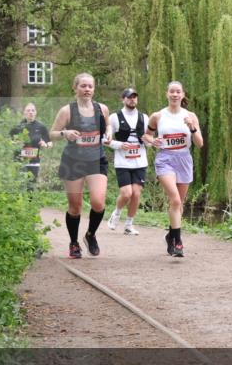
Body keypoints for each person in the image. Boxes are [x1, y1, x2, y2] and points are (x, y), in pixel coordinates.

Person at [49, 73, 112, 259]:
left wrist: (109, 134)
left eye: (90, 86)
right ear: (75, 88)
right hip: (73, 161)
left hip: (96, 160)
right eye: (83, 86)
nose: (87, 89)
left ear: (94, 89)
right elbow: (52, 133)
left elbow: (107, 126)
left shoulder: (102, 109)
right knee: (75, 206)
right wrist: (65, 133)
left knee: (98, 202)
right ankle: (74, 242)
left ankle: (90, 235)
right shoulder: (67, 111)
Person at [143, 81, 203, 258]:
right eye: (172, 91)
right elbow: (146, 135)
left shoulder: (190, 115)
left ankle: (170, 235)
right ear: (166, 94)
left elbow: (199, 144)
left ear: (183, 95)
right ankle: (178, 242)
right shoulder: (158, 116)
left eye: (178, 92)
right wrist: (152, 141)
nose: (175, 94)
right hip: (165, 159)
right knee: (175, 200)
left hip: (184, 159)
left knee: (179, 204)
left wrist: (192, 127)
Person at [107, 88, 149, 235]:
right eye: (129, 97)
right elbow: (106, 140)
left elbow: (149, 139)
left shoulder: (144, 117)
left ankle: (129, 225)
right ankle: (116, 213)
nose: (132, 100)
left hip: (140, 162)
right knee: (126, 194)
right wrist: (119, 145)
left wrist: (151, 141)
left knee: (136, 194)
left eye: (134, 97)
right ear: (123, 99)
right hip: (123, 162)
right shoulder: (114, 117)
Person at [9, 103, 52, 187]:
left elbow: (50, 143)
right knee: (20, 186)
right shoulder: (17, 127)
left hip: (34, 162)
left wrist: (45, 145)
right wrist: (15, 143)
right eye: (28, 110)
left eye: (33, 110)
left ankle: (30, 200)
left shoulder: (41, 127)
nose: (31, 112)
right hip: (20, 161)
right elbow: (8, 141)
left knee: (31, 186)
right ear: (24, 112)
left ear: (36, 112)